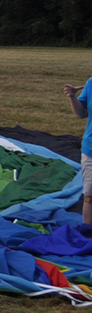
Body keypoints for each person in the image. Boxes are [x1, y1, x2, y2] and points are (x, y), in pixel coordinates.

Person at [65, 79, 92, 225]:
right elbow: (82, 113)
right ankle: (87, 237)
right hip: (91, 150)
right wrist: (72, 96)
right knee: (90, 197)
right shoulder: (91, 83)